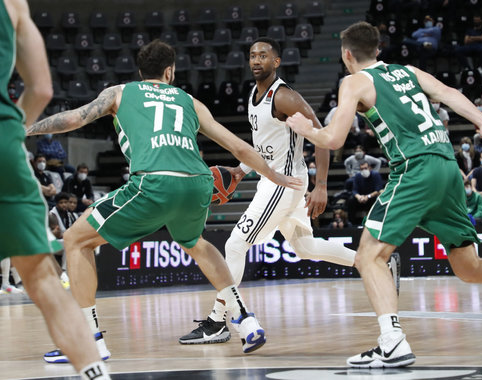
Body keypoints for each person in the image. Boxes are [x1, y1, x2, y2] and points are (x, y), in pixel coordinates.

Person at [286, 21, 482, 368]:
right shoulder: (406, 71)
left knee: (369, 256)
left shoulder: (355, 81)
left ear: (347, 55)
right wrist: (480, 119)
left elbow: (333, 139)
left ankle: (391, 341)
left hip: (415, 169)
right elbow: (449, 93)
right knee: (469, 267)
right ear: (378, 50)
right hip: (447, 167)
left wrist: (306, 129)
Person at [27, 39, 305, 362]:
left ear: (140, 71)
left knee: (76, 240)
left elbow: (75, 119)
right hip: (198, 183)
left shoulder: (119, 92)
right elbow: (238, 147)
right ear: (170, 71)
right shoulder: (189, 100)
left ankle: (87, 340)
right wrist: (275, 175)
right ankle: (245, 319)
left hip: (154, 182)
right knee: (194, 242)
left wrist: (27, 129)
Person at [178, 37, 400, 347]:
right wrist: (242, 170)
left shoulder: (284, 97)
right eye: (253, 55)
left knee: (235, 244)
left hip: (283, 185)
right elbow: (265, 146)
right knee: (305, 247)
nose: (257, 60)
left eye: (264, 55)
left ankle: (218, 321)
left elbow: (321, 134)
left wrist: (321, 185)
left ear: (277, 62)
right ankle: (373, 261)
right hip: (278, 180)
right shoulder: (254, 96)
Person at [0, 0, 111, 378]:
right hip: (3, 143)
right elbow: (42, 89)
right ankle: (96, 373)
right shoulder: (13, 3)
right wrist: (13, 131)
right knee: (44, 280)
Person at [346, 161, 384, 225]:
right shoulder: (357, 176)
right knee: (351, 201)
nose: (363, 170)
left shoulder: (375, 175)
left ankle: (374, 223)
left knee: (377, 200)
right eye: (362, 169)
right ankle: (352, 224)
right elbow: (354, 190)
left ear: (370, 168)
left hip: (371, 198)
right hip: (361, 199)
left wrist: (368, 196)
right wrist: (359, 197)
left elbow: (378, 190)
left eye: (365, 168)